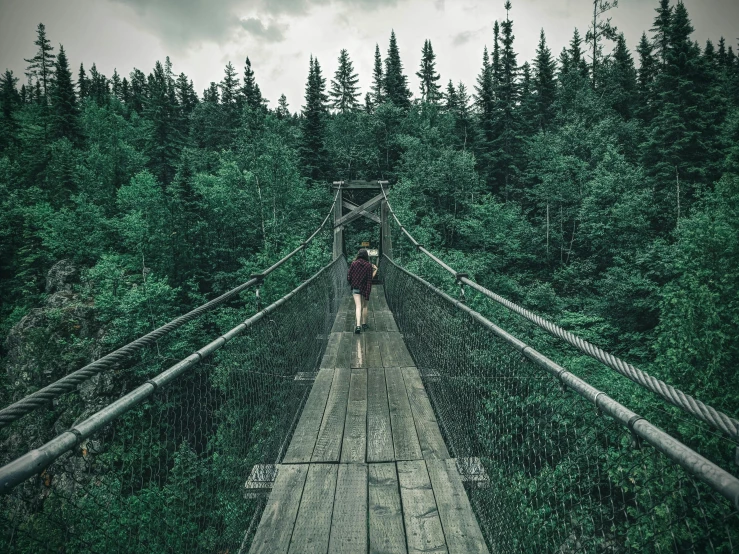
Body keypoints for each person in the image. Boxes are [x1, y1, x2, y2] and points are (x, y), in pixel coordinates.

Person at [347, 248, 378, 334]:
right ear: (366, 256)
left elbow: (349, 276)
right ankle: (364, 324)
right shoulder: (368, 265)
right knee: (364, 306)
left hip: (356, 287)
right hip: (365, 288)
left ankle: (358, 326)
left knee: (358, 306)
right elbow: (370, 278)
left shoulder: (354, 264)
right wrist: (376, 270)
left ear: (358, 255)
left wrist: (352, 283)